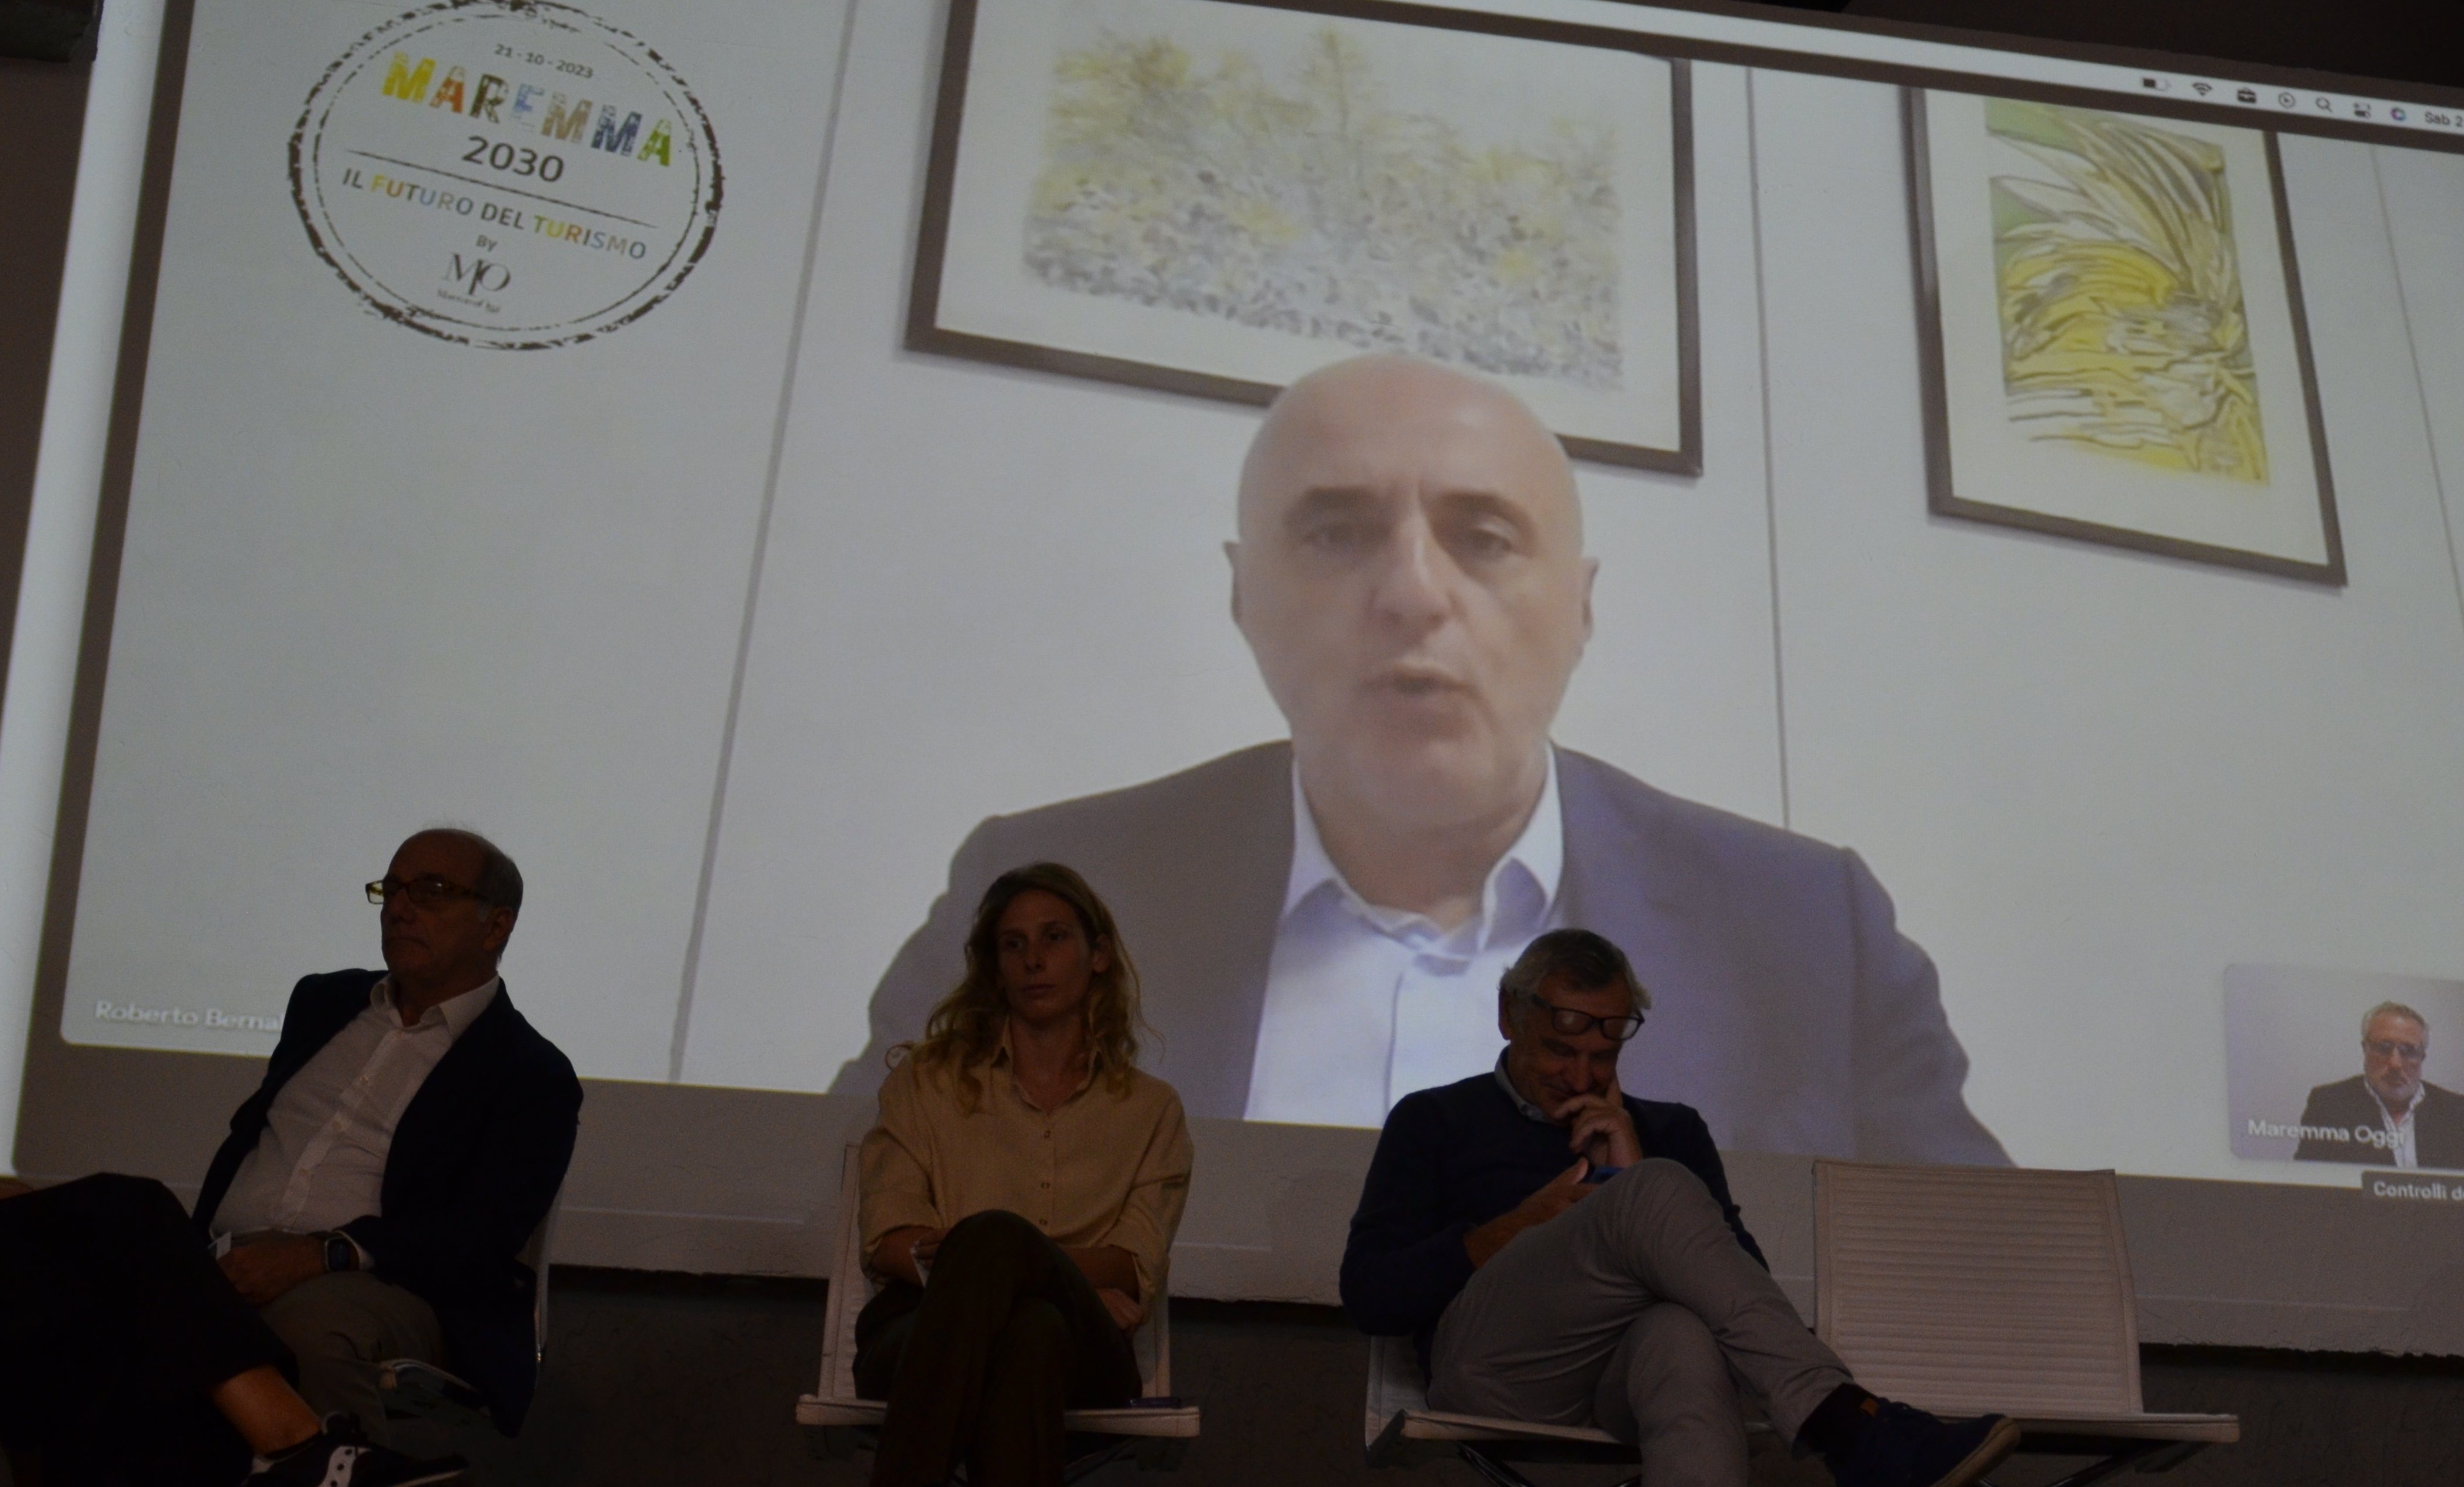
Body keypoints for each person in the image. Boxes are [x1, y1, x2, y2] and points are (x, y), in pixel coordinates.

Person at [838, 356, 2005, 1161]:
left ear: (1580, 607)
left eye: (1482, 537)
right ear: (1243, 594)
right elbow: (827, 1227)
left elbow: (1988, 1316)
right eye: (1336, 532)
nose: (1410, 593)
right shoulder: (1044, 893)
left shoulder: (1807, 932)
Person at [0, 681, 471, 1487]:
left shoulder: (525, 1069)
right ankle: (282, 1461)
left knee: (100, 1290)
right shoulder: (328, 1003)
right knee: (116, 1242)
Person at [1341, 927, 2019, 1487]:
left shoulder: (1669, 1130)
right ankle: (1847, 1425)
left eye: (1601, 1057)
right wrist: (1513, 1227)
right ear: (1509, 1018)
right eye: (1558, 1052)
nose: (1579, 1076)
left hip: (1619, 1381)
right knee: (1653, 1191)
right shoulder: (1434, 1119)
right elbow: (1371, 1294)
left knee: (1684, 1338)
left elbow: (1739, 1284)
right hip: (1492, 1369)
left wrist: (1631, 1164)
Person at [192, 826, 582, 1487]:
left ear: (497, 924)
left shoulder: (531, 1073)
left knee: (314, 1323)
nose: (401, 907)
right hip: (226, 1259)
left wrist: (323, 1252)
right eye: (393, 888)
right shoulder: (323, 1002)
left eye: (432, 892)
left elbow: (480, 1237)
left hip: (389, 1284)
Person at [799, 863, 1192, 1487]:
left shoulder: (1151, 1110)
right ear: (992, 964)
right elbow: (888, 1243)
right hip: (920, 1332)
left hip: (1089, 1354)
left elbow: (1132, 1268)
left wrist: (1002, 1257)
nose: (1033, 960)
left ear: (1098, 955)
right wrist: (1049, 1274)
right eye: (1012, 945)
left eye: (1054, 939)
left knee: (996, 1242)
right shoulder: (928, 1083)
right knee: (1028, 1334)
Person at [2292, 1002, 2464, 1169]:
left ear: (2422, 1057)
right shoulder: (2329, 1105)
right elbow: (2309, 1186)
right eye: (2384, 1048)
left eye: (2408, 1051)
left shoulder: (2459, 1112)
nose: (2395, 1064)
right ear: (2365, 1050)